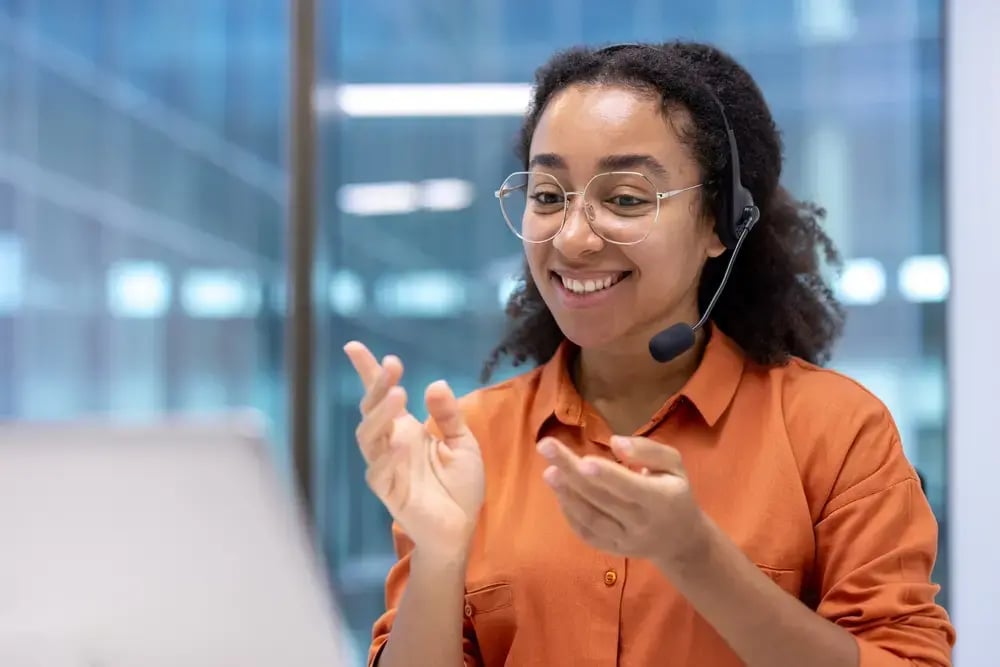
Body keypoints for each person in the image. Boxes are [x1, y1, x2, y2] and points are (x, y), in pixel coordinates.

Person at [345, 41, 955, 667]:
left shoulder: (834, 431)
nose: (574, 239)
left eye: (627, 199)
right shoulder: (470, 444)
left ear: (720, 224)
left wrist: (697, 556)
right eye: (549, 196)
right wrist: (441, 556)